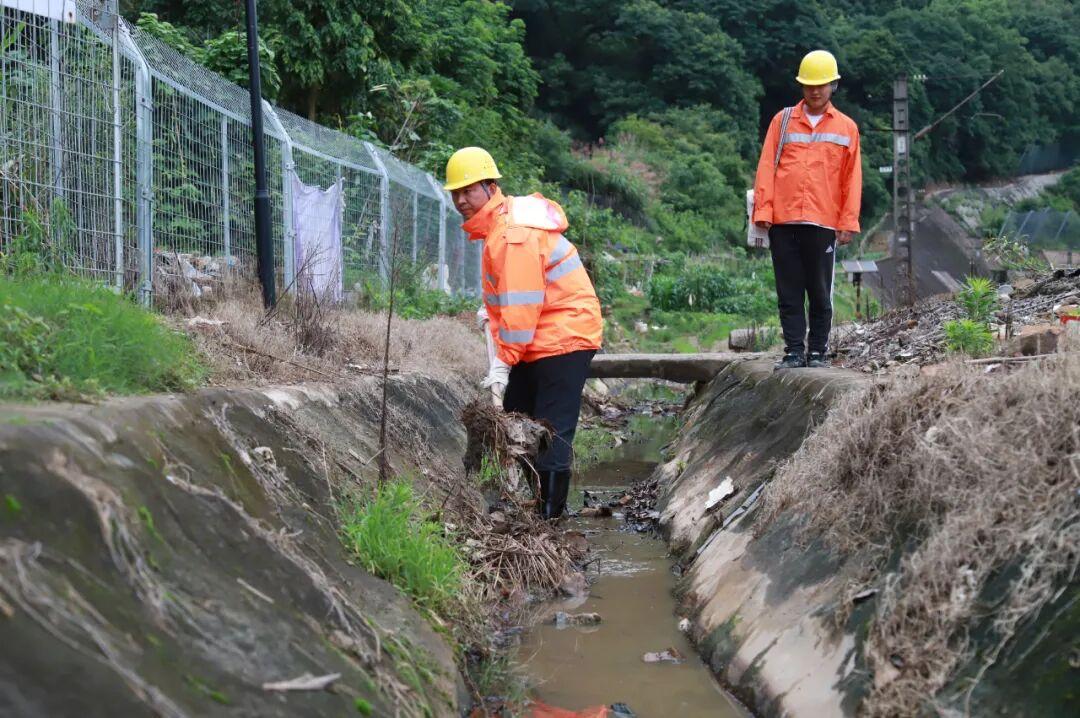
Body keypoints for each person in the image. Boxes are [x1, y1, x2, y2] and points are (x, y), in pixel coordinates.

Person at [444, 147, 603, 519]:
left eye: (469, 190)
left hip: (564, 336)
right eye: (456, 192)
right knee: (518, 415)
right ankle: (532, 505)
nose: (462, 199)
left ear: (490, 186)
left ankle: (549, 520)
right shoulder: (499, 228)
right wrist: (493, 317)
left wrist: (503, 360)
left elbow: (522, 306)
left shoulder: (512, 234)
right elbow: (512, 302)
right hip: (539, 337)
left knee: (550, 428)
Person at [753, 49, 862, 369]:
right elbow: (766, 168)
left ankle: (818, 352)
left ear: (834, 85)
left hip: (823, 222)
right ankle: (793, 352)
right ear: (801, 86)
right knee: (788, 292)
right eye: (809, 84)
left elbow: (851, 179)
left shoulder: (847, 128)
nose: (815, 91)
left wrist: (847, 221)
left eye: (822, 84)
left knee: (819, 290)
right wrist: (764, 211)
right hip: (784, 220)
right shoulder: (782, 121)